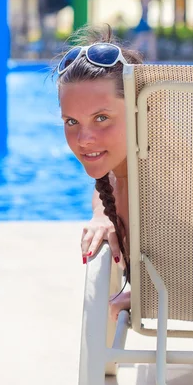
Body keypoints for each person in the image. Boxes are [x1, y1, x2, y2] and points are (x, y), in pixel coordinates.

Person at [56, 27, 142, 320]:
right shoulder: (123, 176)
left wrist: (147, 297)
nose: (84, 139)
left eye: (102, 118)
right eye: (71, 121)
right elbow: (104, 187)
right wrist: (102, 214)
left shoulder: (173, 186)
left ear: (138, 110)